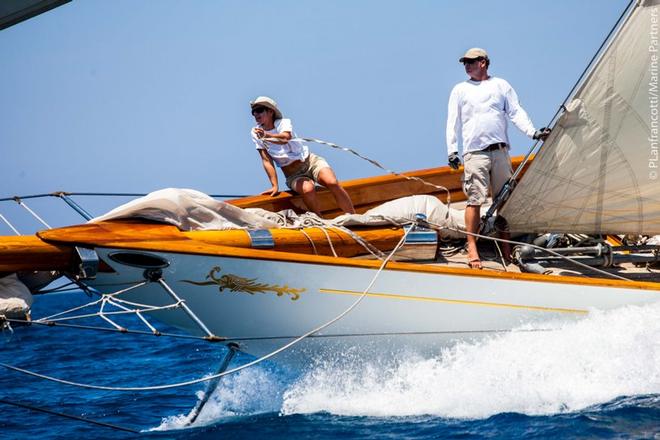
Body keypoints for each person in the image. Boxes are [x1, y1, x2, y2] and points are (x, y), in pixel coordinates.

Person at [446, 48, 550, 269]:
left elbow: (516, 112)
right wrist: (452, 151)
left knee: (503, 200)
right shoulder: (460, 89)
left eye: (471, 62)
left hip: (500, 151)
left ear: (483, 62)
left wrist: (533, 132)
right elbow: (452, 121)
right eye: (465, 62)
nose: (467, 65)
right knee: (475, 200)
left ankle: (505, 246)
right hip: (475, 153)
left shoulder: (501, 85)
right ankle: (472, 247)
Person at [250, 96, 355, 216]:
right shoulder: (255, 132)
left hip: (311, 162)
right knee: (308, 189)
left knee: (332, 182)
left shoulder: (283, 123)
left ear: (270, 111)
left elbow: (285, 138)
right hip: (293, 175)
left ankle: (354, 217)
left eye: (259, 110)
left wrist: (266, 135)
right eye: (253, 112)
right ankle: (321, 221)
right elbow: (266, 160)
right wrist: (274, 185)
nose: (255, 114)